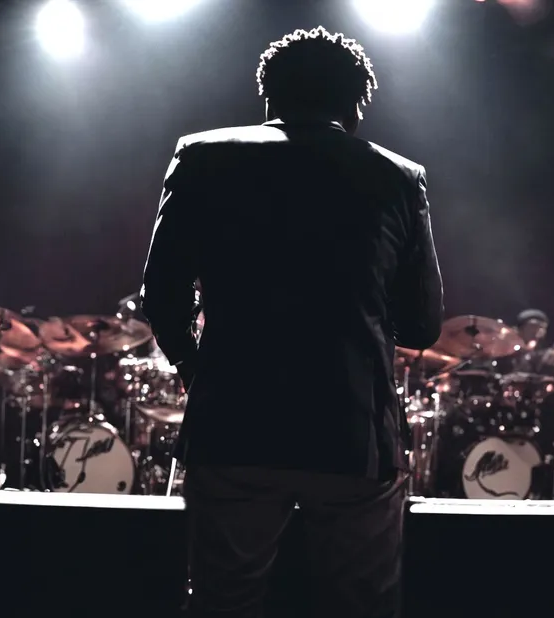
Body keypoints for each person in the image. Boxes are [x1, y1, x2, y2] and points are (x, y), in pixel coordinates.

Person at [140, 27, 443, 618]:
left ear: (268, 98)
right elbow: (424, 325)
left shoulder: (202, 156)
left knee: (224, 602)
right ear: (356, 105)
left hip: (233, 422)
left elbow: (161, 291)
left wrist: (194, 368)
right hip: (354, 433)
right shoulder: (399, 177)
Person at [511, 309, 549, 373]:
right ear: (520, 329)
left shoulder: (543, 353)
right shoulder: (507, 351)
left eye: (542, 327)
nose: (537, 331)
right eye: (533, 326)